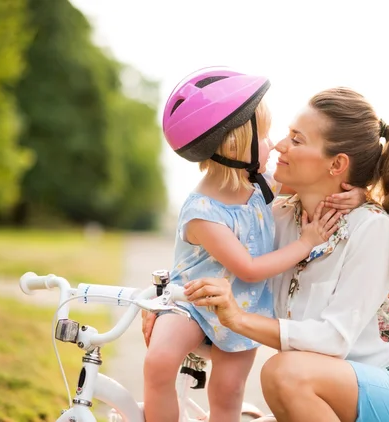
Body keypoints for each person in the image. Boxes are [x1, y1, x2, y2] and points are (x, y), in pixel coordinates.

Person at [146, 86, 389, 422]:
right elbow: (215, 257)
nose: (280, 145)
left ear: (337, 164)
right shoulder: (278, 219)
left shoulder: (371, 226)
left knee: (283, 372)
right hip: (323, 389)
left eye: (297, 139)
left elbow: (333, 339)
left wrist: (238, 319)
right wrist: (169, 302)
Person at [144, 68, 364, 422]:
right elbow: (246, 267)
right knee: (159, 363)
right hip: (193, 301)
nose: (275, 144)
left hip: (242, 310)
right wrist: (306, 242)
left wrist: (357, 191)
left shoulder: (260, 185)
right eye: (264, 136)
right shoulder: (202, 213)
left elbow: (319, 179)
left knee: (227, 391)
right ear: (235, 145)